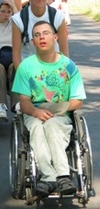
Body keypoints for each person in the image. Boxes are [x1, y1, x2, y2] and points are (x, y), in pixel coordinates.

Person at [12, 20, 86, 197]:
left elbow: (77, 100)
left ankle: (63, 175)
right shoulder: (26, 66)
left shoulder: (68, 66)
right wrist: (37, 112)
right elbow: (24, 102)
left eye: (45, 33)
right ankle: (48, 177)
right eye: (37, 35)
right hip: (33, 111)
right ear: (33, 42)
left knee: (52, 126)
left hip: (60, 111)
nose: (41, 37)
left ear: (55, 38)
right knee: (37, 127)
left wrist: (58, 109)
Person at [12, 0, 68, 71]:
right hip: (28, 67)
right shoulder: (18, 19)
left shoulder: (58, 17)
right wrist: (24, 76)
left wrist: (63, 73)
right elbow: (16, 56)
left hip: (53, 66)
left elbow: (64, 52)